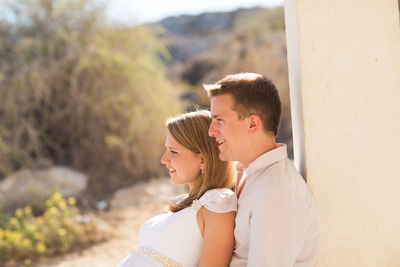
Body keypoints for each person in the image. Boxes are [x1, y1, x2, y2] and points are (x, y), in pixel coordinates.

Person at [204, 73, 319, 266]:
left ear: (252, 123)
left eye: (219, 120)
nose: (211, 131)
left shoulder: (278, 192)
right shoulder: (250, 175)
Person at [117, 110, 237, 267]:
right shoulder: (183, 203)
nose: (164, 159)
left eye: (173, 152)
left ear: (203, 159)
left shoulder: (218, 203)